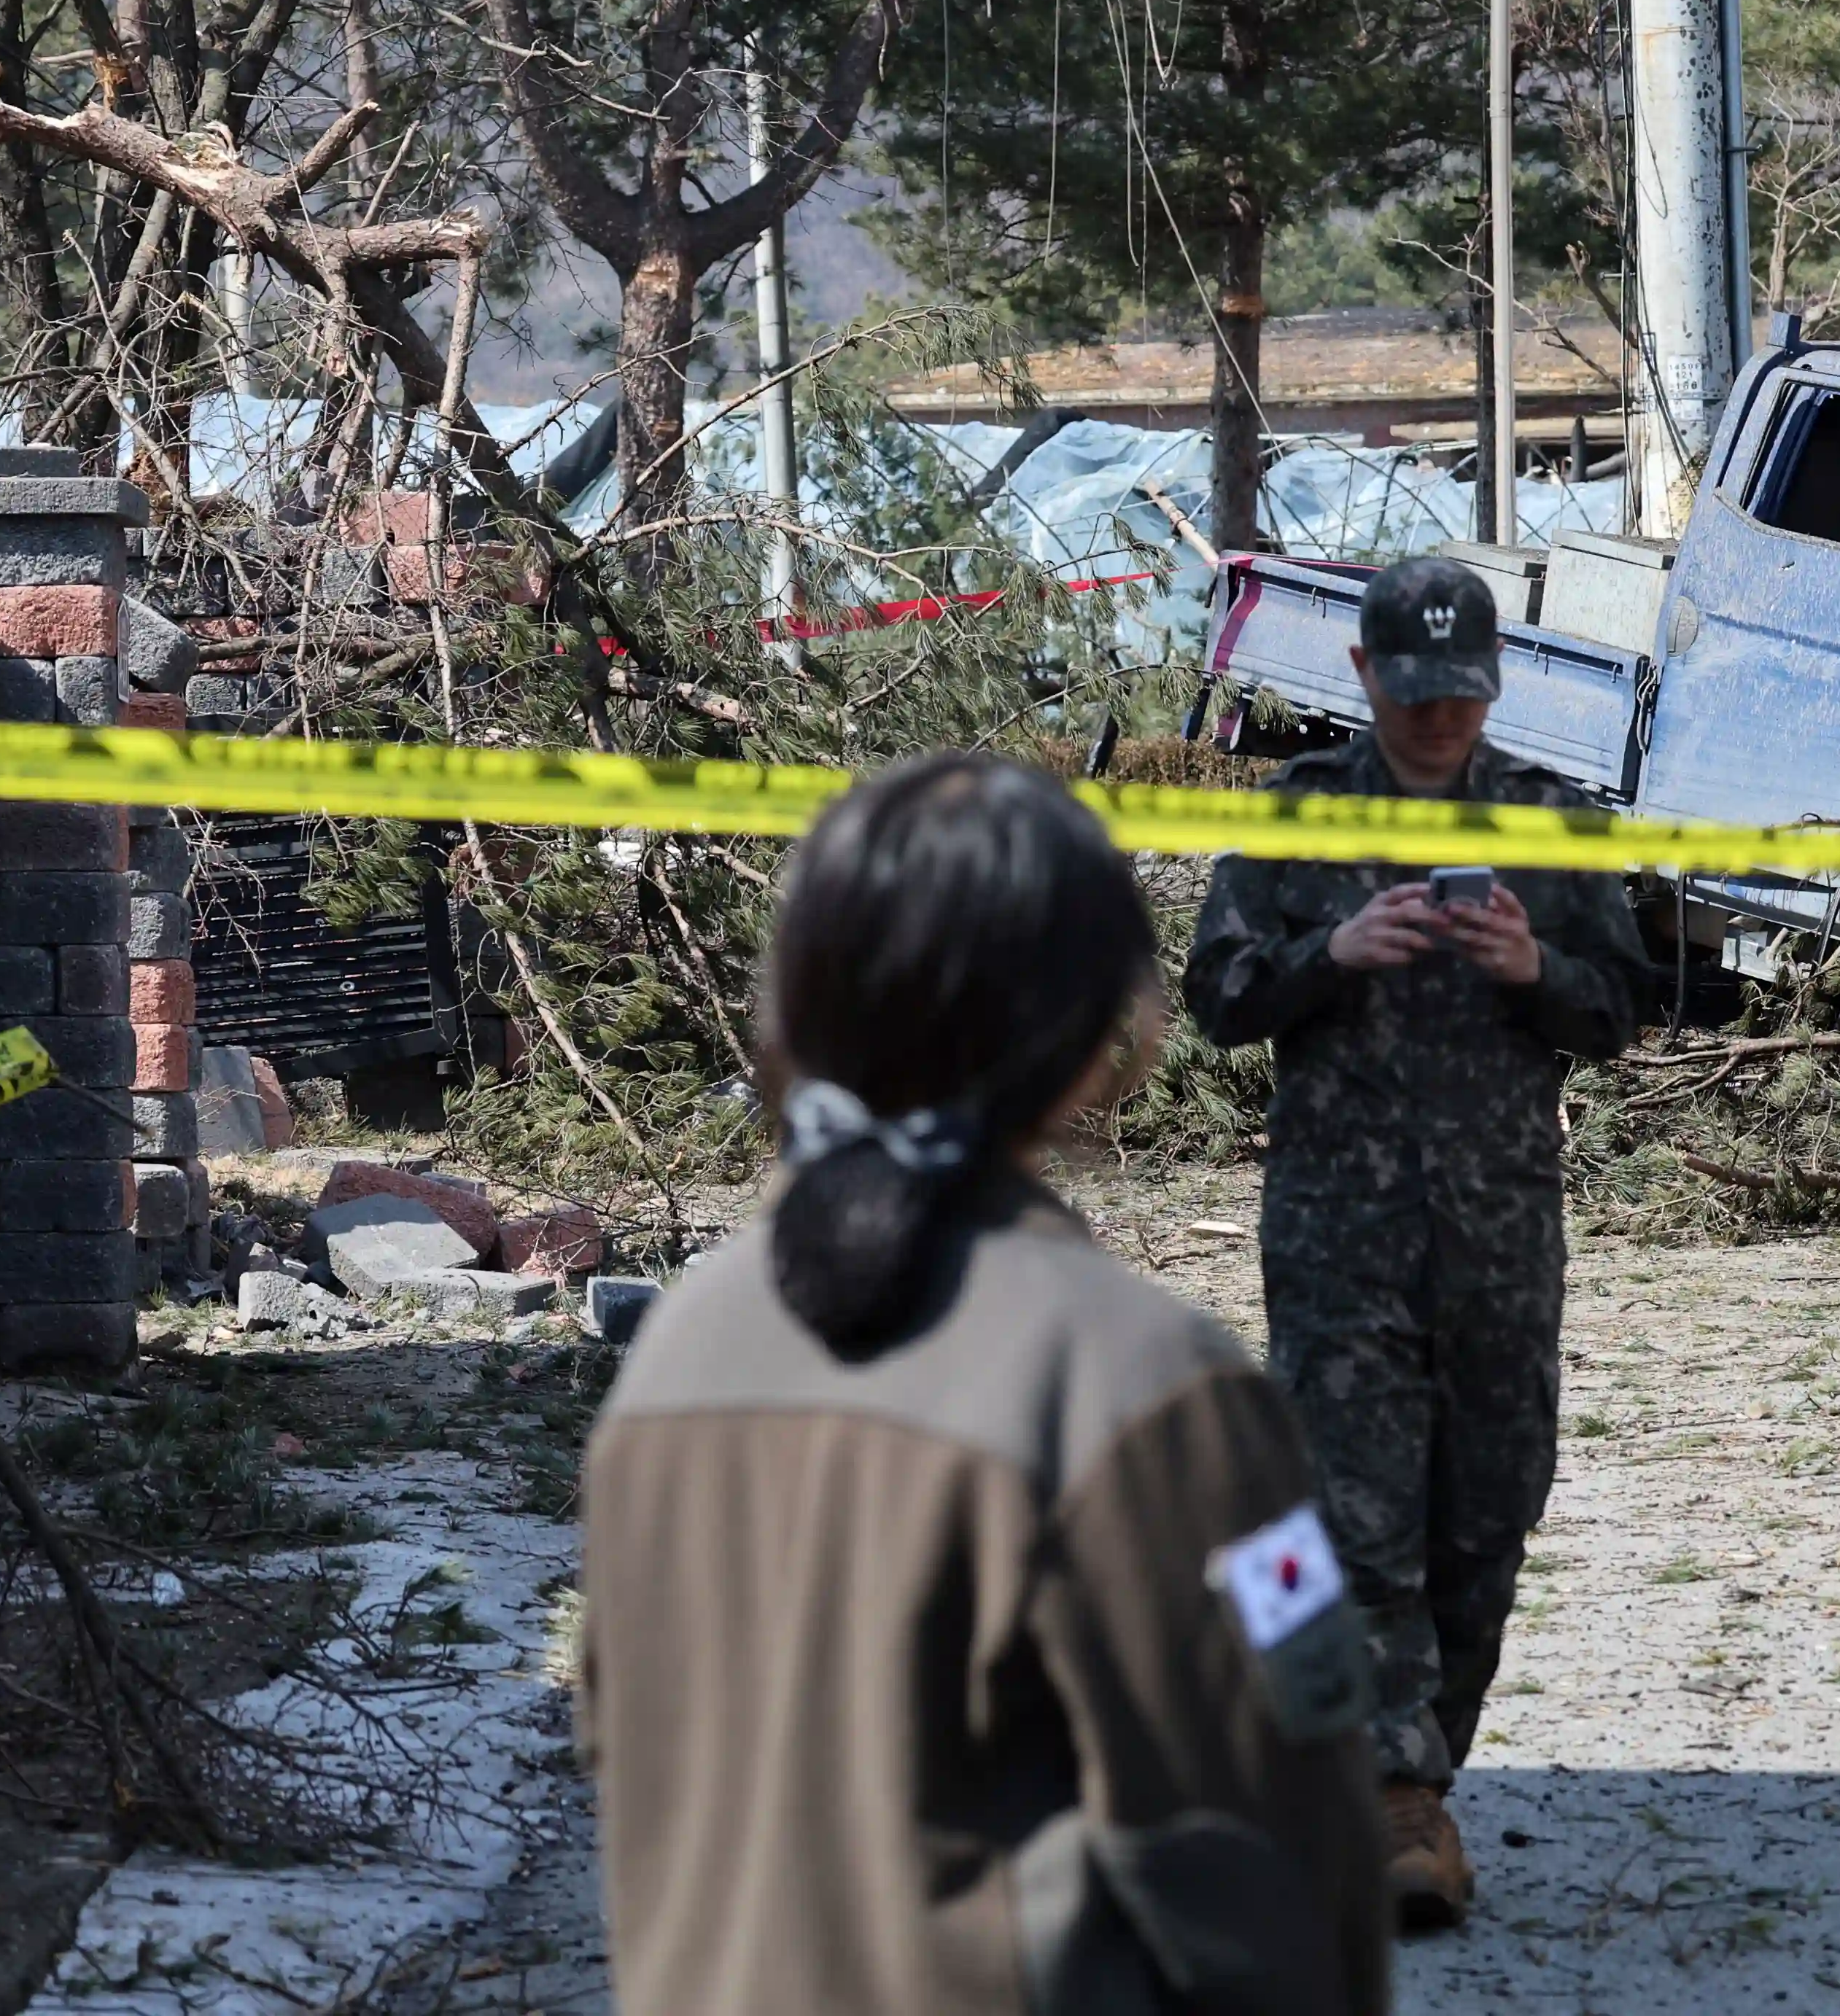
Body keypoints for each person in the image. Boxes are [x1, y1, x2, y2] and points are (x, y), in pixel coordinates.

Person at [581, 754, 1389, 2015]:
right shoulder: (1150, 1385)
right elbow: (1284, 1867)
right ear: (1094, 1038)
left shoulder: (675, 1355)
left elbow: (627, 1756)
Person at [1184, 556, 1650, 1929]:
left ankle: (1411, 1773)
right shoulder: (1304, 816)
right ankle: (1392, 1800)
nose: (1441, 717)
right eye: (1415, 690)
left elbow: (1624, 1006)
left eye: (1463, 692)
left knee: (1487, 1517)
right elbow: (1217, 992)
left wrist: (1536, 971)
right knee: (1357, 1519)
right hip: (1341, 1233)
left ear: (1491, 682)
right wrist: (1336, 948)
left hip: (1502, 1238)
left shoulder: (1551, 820)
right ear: (1365, 675)